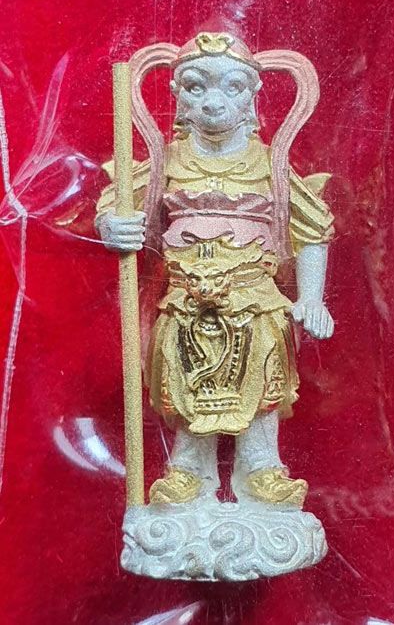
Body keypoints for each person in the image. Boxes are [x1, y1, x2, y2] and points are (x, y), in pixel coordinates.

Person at [96, 32, 335, 508]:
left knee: (263, 376)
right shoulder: (165, 162)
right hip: (184, 300)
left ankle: (261, 467)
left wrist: (311, 297)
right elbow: (115, 207)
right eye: (195, 86)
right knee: (185, 378)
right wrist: (112, 227)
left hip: (256, 299)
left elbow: (313, 229)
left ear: (252, 97)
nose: (212, 102)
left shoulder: (270, 165)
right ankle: (189, 468)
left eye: (231, 87)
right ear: (177, 96)